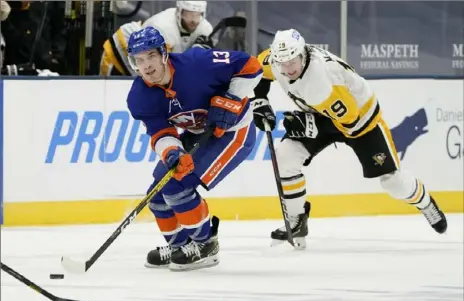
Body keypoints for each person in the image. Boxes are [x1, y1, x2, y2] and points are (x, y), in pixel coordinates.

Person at [251, 29, 448, 249]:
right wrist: (259, 100)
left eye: (293, 62)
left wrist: (308, 125)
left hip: (361, 120)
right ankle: (297, 221)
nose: (288, 69)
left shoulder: (321, 80)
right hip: (321, 113)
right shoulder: (277, 60)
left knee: (393, 182)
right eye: (283, 63)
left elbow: (350, 122)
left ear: (303, 54)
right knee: (285, 157)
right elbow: (257, 71)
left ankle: (425, 203)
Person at [126, 26, 262, 271]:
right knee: (157, 193)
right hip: (199, 133)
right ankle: (180, 245)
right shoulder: (139, 96)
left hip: (234, 132)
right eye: (139, 60)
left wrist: (232, 97)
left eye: (150, 57)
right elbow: (160, 133)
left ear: (163, 54)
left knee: (177, 186)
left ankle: (205, 244)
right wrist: (172, 153)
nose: (146, 66)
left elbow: (251, 66)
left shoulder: (198, 64)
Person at [143, 1, 213, 53]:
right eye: (189, 14)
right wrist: (194, 55)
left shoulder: (206, 29)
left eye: (198, 15)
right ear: (179, 12)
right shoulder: (160, 28)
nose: (194, 20)